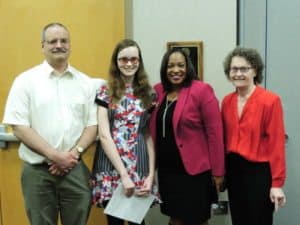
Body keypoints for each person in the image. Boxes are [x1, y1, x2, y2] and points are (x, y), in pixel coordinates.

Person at [2, 23, 97, 225]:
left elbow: (92, 125)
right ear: (42, 46)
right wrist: (55, 156)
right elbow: (18, 126)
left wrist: (73, 154)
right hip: (37, 173)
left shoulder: (86, 83)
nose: (59, 45)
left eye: (64, 40)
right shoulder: (25, 81)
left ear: (70, 45)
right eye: (52, 41)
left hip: (75, 169)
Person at [149, 48, 225, 225]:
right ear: (164, 69)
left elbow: (215, 133)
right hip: (168, 171)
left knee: (196, 219)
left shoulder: (201, 90)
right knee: (175, 217)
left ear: (188, 67)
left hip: (195, 172)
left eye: (181, 65)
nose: (176, 70)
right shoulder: (158, 91)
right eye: (171, 66)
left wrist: (218, 172)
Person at [90, 39, 159, 225]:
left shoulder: (149, 94)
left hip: (140, 165)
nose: (129, 64)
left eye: (134, 59)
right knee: (114, 222)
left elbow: (148, 134)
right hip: (111, 167)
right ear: (116, 62)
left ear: (139, 61)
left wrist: (151, 174)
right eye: (123, 59)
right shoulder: (105, 91)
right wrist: (123, 174)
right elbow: (104, 135)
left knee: (139, 221)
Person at [222, 47, 286, 225]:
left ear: (255, 70)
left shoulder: (270, 101)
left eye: (244, 69)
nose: (238, 73)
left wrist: (277, 184)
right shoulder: (226, 101)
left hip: (258, 173)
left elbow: (276, 144)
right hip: (234, 170)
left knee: (259, 221)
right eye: (234, 69)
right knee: (239, 220)